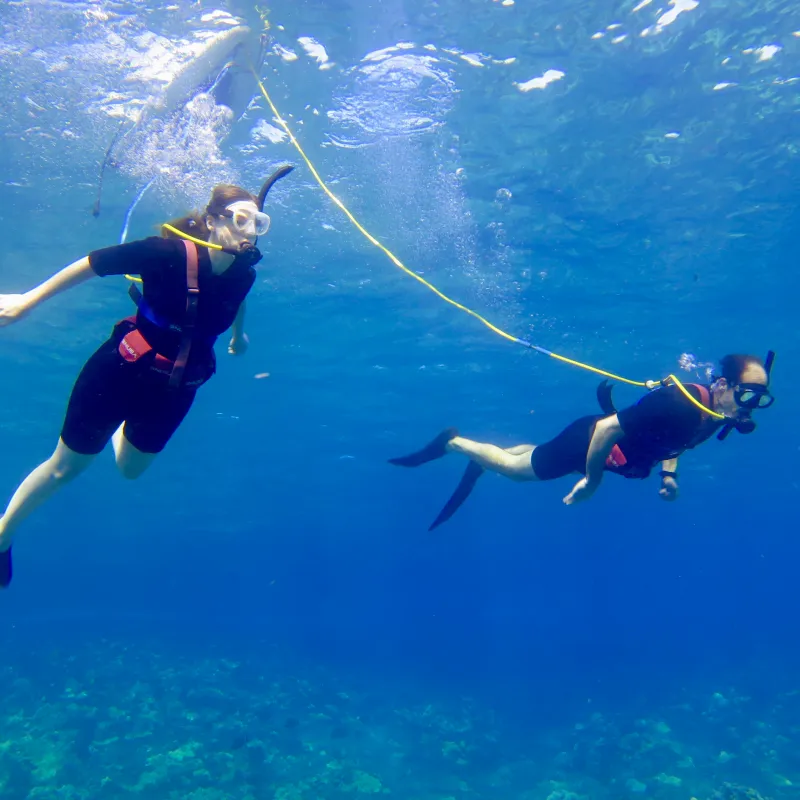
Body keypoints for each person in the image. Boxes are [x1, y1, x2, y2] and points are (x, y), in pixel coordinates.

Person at [0, 167, 293, 588]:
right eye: (239, 219)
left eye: (257, 223)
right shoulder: (165, 254)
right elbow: (93, 263)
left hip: (177, 389)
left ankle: (119, 429)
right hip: (119, 371)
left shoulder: (245, 273)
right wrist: (26, 302)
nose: (249, 231)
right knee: (66, 470)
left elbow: (234, 299)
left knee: (130, 470)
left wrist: (238, 335)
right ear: (212, 221)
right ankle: (4, 533)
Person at [389, 352, 775, 530]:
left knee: (534, 455)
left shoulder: (713, 415)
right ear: (722, 385)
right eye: (747, 396)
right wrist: (592, 481)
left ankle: (500, 452)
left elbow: (676, 445)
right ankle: (455, 444)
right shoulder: (680, 402)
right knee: (515, 472)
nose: (751, 408)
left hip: (600, 446)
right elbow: (609, 430)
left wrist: (667, 477)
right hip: (590, 443)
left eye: (760, 399)